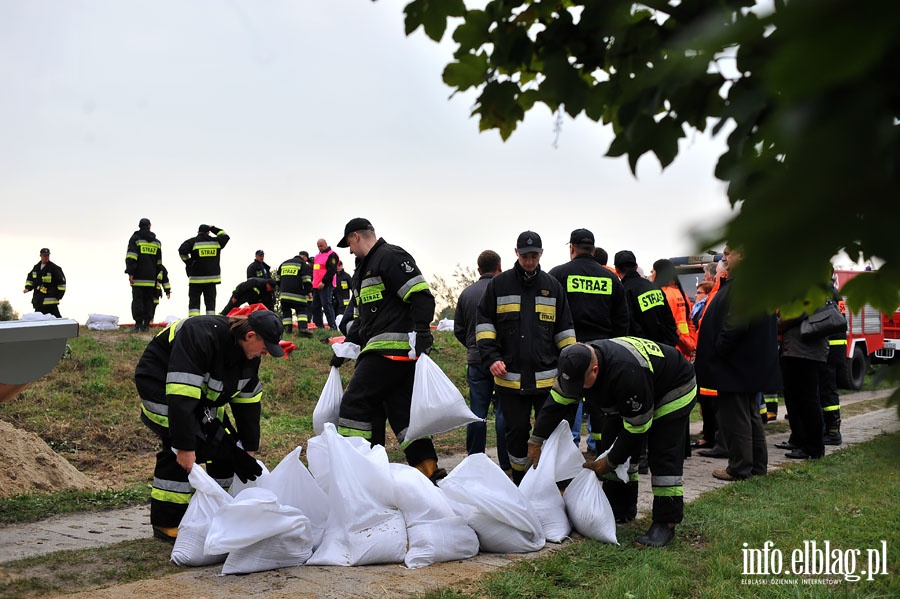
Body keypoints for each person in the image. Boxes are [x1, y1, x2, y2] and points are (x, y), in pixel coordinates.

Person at [527, 338, 697, 547]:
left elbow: (637, 429)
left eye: (581, 385)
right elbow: (556, 403)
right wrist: (536, 440)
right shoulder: (574, 363)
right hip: (630, 396)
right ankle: (621, 508)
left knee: (663, 454)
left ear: (595, 370)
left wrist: (610, 462)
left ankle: (666, 522)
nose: (577, 390)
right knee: (610, 441)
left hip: (672, 388)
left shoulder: (627, 373)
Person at [135, 309, 285, 541]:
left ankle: (217, 508)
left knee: (228, 447)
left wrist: (248, 447)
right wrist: (185, 447)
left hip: (198, 397)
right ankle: (167, 522)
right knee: (185, 445)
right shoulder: (200, 336)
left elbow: (248, 402)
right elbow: (181, 394)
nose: (263, 354)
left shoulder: (248, 356)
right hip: (161, 386)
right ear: (250, 335)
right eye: (264, 347)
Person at [331, 217, 443, 481]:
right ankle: (427, 470)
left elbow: (421, 296)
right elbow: (365, 322)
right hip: (385, 352)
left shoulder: (390, 257)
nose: (349, 251)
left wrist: (423, 332)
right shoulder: (364, 270)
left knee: (354, 405)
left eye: (348, 243)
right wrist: (345, 349)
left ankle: (357, 471)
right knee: (401, 412)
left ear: (356, 236)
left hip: (390, 351)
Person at [476, 230, 576, 485]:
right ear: (516, 253)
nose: (529, 261)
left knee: (550, 434)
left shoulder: (553, 287)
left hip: (547, 383)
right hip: (510, 380)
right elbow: (484, 325)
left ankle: (547, 483)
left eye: (534, 256)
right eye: (524, 256)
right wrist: (491, 358)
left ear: (541, 254)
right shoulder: (499, 285)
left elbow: (565, 332)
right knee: (516, 433)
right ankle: (521, 481)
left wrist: (569, 368)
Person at [693, 245, 780, 481]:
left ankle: (740, 467)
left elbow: (736, 324)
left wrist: (719, 348)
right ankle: (756, 466)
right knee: (749, 415)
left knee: (736, 418)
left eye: (729, 253)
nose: (724, 257)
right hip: (743, 364)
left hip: (735, 364)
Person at [549, 228, 629, 454]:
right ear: (593, 250)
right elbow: (622, 320)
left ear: (571, 248)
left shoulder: (558, 274)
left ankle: (569, 449)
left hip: (569, 350)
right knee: (601, 404)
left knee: (568, 399)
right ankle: (600, 448)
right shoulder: (610, 278)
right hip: (603, 353)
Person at [453, 249, 511, 475]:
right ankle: (507, 463)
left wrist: (472, 347)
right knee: (503, 411)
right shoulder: (504, 291)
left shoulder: (466, 294)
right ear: (500, 268)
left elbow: (459, 329)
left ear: (478, 270)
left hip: (476, 360)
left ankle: (474, 460)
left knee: (477, 411)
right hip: (501, 361)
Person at [778, 300, 830, 460]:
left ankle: (813, 448)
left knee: (807, 400)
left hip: (805, 353)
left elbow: (791, 316)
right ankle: (799, 439)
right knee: (795, 398)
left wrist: (775, 322)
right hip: (795, 351)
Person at [178, 224, 230, 317]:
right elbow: (225, 236)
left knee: (194, 304)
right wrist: (213, 228)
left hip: (196, 279)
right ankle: (210, 322)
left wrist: (189, 262)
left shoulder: (192, 242)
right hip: (212, 280)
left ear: (198, 232)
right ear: (208, 232)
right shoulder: (216, 242)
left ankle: (194, 322)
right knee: (210, 304)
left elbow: (182, 251)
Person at [651, 258, 696, 360]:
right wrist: (691, 345)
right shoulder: (682, 294)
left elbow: (669, 326)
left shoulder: (661, 294)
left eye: (653, 271)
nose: (651, 274)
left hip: (671, 349)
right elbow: (690, 322)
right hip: (685, 349)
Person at [125, 218, 162, 332]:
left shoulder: (136, 239)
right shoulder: (157, 242)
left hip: (138, 277)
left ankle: (138, 324)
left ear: (139, 226)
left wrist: (130, 273)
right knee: (148, 301)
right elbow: (159, 262)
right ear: (150, 226)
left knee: (138, 300)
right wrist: (157, 277)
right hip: (151, 278)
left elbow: (131, 257)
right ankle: (146, 324)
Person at [276, 250, 313, 336]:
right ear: (304, 257)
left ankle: (287, 330)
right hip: (298, 295)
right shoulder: (303, 264)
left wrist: (283, 288)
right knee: (302, 310)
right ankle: (303, 329)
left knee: (286, 312)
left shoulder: (284, 263)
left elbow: (277, 280)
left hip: (284, 295)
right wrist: (308, 291)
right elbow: (306, 280)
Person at [23, 248, 66, 317]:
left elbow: (62, 284)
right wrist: (28, 288)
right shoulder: (36, 268)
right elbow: (30, 279)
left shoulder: (54, 268)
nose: (46, 257)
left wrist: (58, 296)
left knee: (57, 321)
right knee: (38, 321)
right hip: (38, 301)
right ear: (41, 256)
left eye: (48, 255)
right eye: (45, 255)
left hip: (50, 302)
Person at [311, 238, 340, 331]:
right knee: (315, 306)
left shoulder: (332, 255)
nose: (320, 248)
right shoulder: (317, 256)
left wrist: (324, 281)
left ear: (326, 244)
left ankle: (333, 327)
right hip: (316, 285)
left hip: (326, 284)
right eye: (318, 246)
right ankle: (319, 327)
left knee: (326, 305)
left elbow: (332, 270)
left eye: (321, 245)